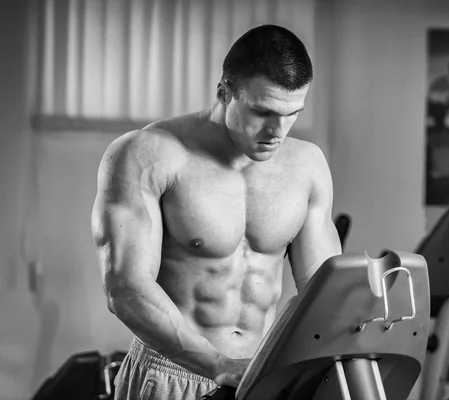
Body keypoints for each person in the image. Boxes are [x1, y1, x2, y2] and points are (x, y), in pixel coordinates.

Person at [91, 24, 342, 400]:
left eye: (291, 114)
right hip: (173, 374)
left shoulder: (307, 165)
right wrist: (217, 365)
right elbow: (126, 289)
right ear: (224, 92)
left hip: (259, 378)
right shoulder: (147, 155)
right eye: (263, 112)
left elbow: (326, 292)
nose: (278, 130)